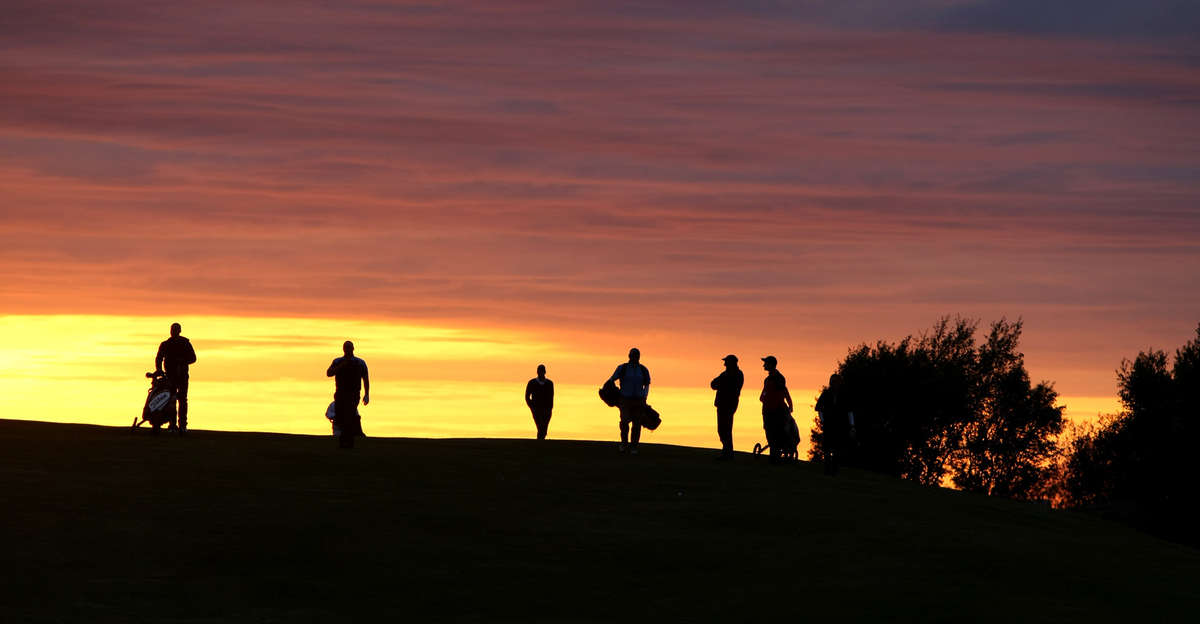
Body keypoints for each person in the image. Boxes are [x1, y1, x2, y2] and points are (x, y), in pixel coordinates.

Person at [155, 322, 197, 435]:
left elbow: (193, 358)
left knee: (181, 400)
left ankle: (182, 425)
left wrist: (182, 361)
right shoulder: (166, 344)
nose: (173, 332)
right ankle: (173, 425)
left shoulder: (185, 343)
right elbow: (159, 358)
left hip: (182, 376)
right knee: (171, 400)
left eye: (175, 330)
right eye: (172, 330)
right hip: (170, 377)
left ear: (179, 331)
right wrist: (159, 370)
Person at [326, 341, 370, 449]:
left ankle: (349, 441)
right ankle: (344, 441)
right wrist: (341, 366)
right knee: (341, 416)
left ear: (353, 348)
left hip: (353, 394)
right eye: (346, 347)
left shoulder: (360, 362)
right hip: (340, 394)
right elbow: (329, 373)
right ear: (343, 349)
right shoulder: (338, 361)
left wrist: (367, 394)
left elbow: (365, 379)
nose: (347, 349)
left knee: (349, 416)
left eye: (349, 347)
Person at [609, 348, 650, 454]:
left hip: (638, 400)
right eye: (633, 355)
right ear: (629, 356)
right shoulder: (622, 368)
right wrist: (610, 390)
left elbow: (647, 384)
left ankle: (634, 447)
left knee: (637, 424)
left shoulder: (643, 369)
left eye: (636, 355)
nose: (635, 357)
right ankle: (624, 444)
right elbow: (612, 379)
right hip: (625, 399)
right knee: (624, 422)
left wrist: (644, 397)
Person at [816, 373, 856, 476]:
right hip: (828, 425)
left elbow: (850, 411)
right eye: (833, 382)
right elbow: (819, 408)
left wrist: (852, 426)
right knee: (827, 448)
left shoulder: (844, 395)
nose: (835, 384)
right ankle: (827, 469)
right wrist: (823, 420)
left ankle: (834, 470)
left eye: (837, 382)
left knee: (837, 449)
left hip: (840, 426)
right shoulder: (826, 394)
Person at [759, 355, 794, 464]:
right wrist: (762, 398)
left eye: (766, 363)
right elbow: (765, 393)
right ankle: (774, 456)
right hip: (767, 410)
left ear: (771, 365)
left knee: (775, 433)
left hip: (776, 410)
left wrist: (789, 404)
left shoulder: (779, 378)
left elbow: (783, 392)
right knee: (769, 432)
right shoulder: (768, 379)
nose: (764, 365)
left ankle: (774, 456)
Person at [710, 354, 744, 460]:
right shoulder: (725, 374)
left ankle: (728, 453)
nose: (724, 364)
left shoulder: (736, 374)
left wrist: (722, 384)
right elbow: (713, 384)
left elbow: (731, 387)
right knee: (722, 429)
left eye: (726, 362)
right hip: (722, 404)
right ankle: (727, 452)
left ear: (731, 363)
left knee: (725, 429)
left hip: (728, 404)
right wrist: (722, 384)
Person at [525, 364, 554, 440]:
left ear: (545, 372)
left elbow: (551, 397)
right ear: (537, 372)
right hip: (536, 409)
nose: (541, 373)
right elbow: (527, 396)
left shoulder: (549, 383)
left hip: (546, 409)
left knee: (544, 427)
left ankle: (540, 441)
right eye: (539, 371)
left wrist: (550, 408)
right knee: (540, 426)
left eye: (542, 371)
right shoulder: (532, 383)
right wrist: (531, 406)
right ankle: (540, 441)